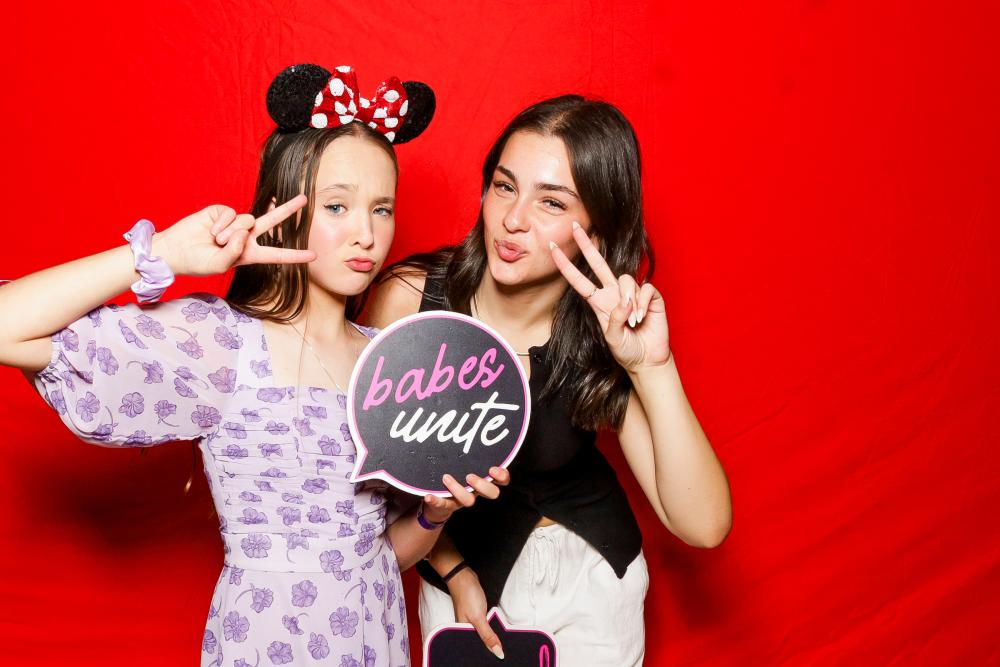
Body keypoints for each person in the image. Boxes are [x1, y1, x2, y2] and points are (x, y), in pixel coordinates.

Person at [0, 63, 506, 667]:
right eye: (337, 206)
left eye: (382, 209)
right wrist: (164, 252)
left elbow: (377, 557)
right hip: (266, 643)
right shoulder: (222, 344)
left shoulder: (393, 363)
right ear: (282, 210)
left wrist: (433, 513)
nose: (366, 235)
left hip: (376, 642)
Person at [366, 94, 733, 666]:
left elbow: (704, 525)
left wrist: (651, 367)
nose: (513, 220)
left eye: (552, 202)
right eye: (504, 186)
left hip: (592, 581)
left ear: (597, 228)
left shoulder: (603, 332)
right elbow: (374, 479)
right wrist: (453, 569)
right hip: (465, 588)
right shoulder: (411, 303)